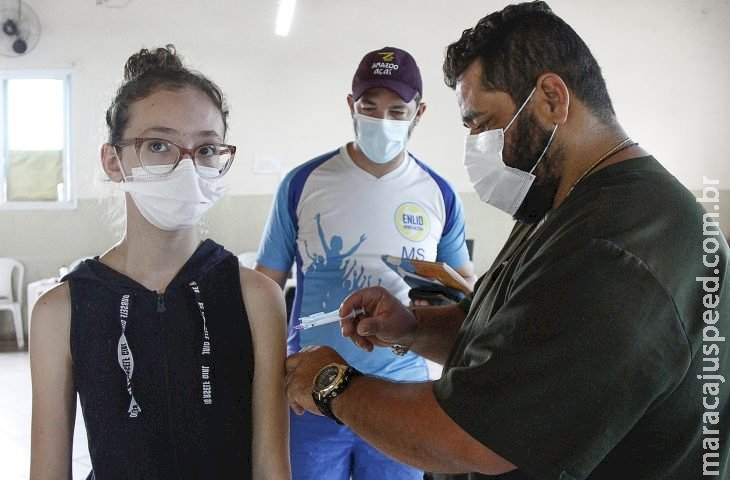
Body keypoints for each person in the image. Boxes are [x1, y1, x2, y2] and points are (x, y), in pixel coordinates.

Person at [284, 3, 729, 479]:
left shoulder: (619, 244)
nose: (476, 144)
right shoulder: (554, 201)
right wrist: (413, 328)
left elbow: (472, 438)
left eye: (482, 123)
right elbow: (523, 347)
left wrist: (331, 384)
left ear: (552, 98)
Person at [29, 45, 290, 480]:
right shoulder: (63, 309)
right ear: (114, 161)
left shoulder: (257, 297)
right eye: (158, 145)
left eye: (206, 149)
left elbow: (271, 466)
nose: (186, 167)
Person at [256, 46, 475, 479]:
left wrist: (440, 301)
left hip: (401, 393)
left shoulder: (439, 194)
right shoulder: (304, 183)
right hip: (309, 390)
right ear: (350, 106)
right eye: (369, 107)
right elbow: (265, 288)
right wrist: (265, 378)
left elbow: (464, 283)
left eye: (397, 110)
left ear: (420, 112)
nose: (382, 121)